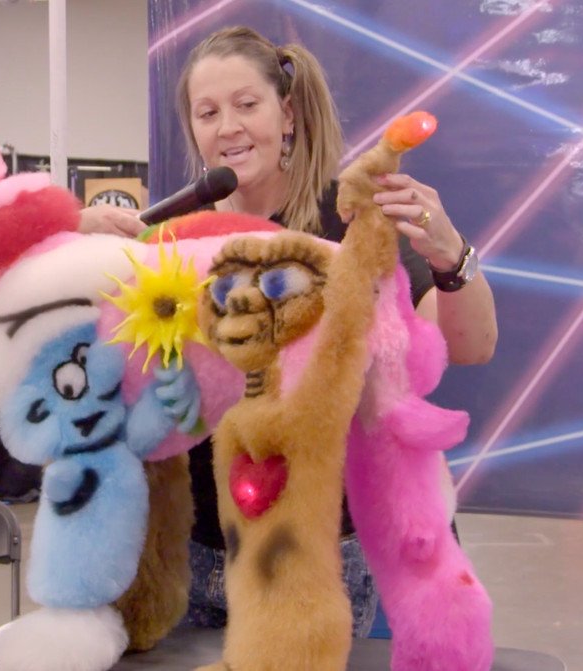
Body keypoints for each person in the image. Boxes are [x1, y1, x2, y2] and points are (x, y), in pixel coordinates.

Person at [175, 26, 498, 634]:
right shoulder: (179, 236)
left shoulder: (348, 218)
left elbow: (467, 346)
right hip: (193, 549)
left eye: (248, 105)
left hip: (323, 552)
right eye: (208, 112)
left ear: (288, 112)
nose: (228, 127)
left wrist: (449, 254)